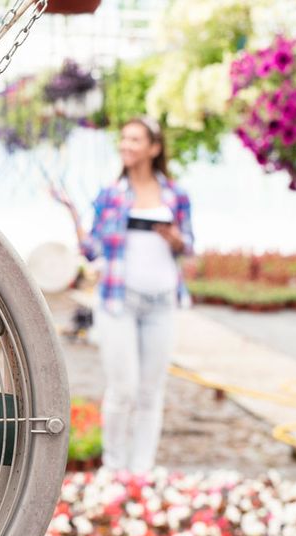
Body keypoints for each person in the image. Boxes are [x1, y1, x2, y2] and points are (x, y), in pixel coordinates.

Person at [78, 117, 195, 474]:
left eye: (135, 139)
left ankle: (141, 471)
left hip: (161, 302)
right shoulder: (110, 193)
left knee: (150, 393)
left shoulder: (176, 194)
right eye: (123, 139)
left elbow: (189, 244)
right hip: (118, 301)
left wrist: (176, 240)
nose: (126, 145)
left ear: (154, 148)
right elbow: (91, 249)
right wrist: (80, 235)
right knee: (122, 389)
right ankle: (114, 469)